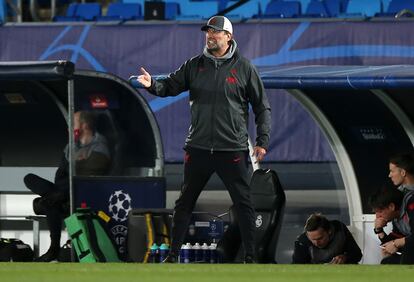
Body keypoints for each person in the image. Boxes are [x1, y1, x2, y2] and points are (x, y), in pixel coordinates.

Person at [136, 16, 271, 263]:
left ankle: (251, 258)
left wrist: (262, 140)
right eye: (208, 32)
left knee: (244, 205)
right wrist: (152, 85)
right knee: (184, 203)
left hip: (232, 149)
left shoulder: (245, 68)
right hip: (198, 148)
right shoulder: (194, 65)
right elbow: (170, 86)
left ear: (228, 37)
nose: (210, 36)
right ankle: (173, 256)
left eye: (216, 32)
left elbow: (262, 108)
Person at [24, 111, 111, 262]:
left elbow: (87, 176)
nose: (70, 127)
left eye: (73, 123)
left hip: (82, 194)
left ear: (84, 125)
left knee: (51, 203)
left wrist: (76, 167)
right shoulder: (71, 146)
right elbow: (60, 175)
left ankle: (54, 249)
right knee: (29, 179)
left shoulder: (100, 145)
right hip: (62, 192)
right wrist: (78, 163)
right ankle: (55, 197)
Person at [292, 213, 362, 264]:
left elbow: (357, 254)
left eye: (320, 238)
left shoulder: (339, 229)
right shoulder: (302, 242)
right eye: (313, 240)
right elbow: (297, 266)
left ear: (329, 231)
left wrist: (345, 257)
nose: (317, 243)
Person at [369, 186, 414, 264]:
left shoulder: (411, 205)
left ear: (391, 207)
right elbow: (395, 238)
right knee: (387, 262)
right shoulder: (396, 217)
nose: (377, 216)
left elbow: (399, 241)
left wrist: (395, 243)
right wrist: (379, 231)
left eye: (380, 211)